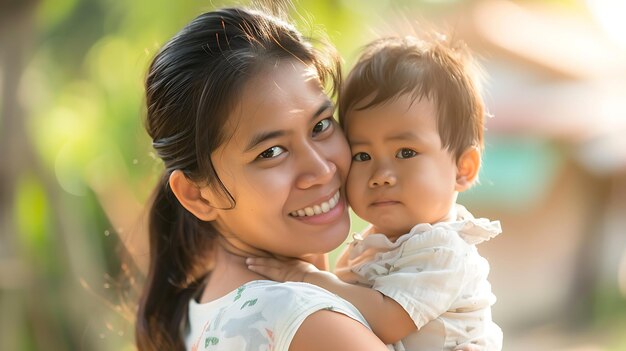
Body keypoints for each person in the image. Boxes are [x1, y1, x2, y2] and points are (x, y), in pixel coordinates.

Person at [135, 5, 392, 351]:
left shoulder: (205, 307)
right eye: (271, 152)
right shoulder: (309, 323)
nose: (321, 169)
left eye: (320, 126)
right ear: (198, 195)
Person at [247, 35, 503, 350]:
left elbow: (387, 320)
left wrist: (305, 276)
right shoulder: (370, 248)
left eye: (406, 153)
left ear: (463, 168)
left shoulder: (444, 250)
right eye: (362, 156)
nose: (381, 176)